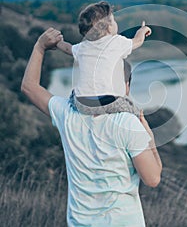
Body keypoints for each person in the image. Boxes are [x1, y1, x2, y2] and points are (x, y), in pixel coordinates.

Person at [21, 28, 162, 226]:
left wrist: (40, 47)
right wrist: (150, 139)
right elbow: (153, 178)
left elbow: (30, 87)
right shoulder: (128, 124)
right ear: (126, 86)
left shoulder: (68, 114)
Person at [56, 1, 151, 116]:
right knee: (132, 109)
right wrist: (142, 30)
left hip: (82, 103)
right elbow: (138, 41)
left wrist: (57, 43)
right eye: (113, 20)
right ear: (108, 28)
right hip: (107, 102)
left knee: (74, 93)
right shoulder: (116, 42)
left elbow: (68, 48)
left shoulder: (83, 46)